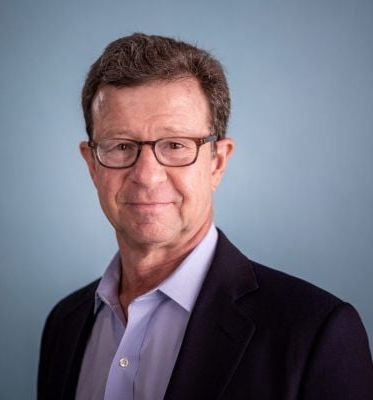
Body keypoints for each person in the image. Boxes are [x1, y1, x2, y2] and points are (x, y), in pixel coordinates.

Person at [37, 33, 373, 400]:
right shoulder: (65, 323)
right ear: (92, 165)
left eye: (176, 145)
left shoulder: (315, 332)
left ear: (218, 162)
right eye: (120, 146)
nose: (147, 175)